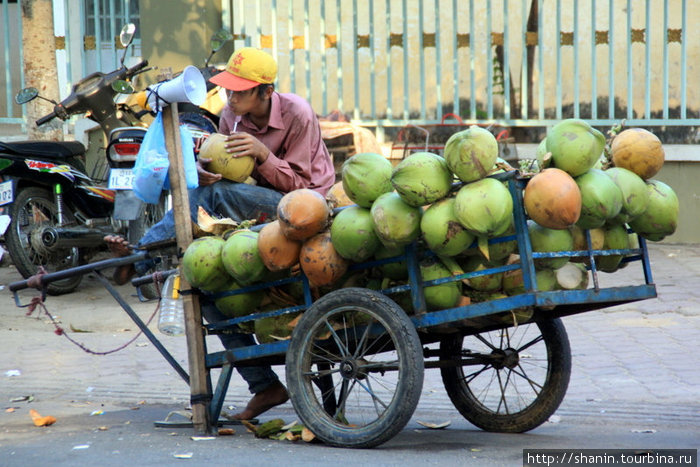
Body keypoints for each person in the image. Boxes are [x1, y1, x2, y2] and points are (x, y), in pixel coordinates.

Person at [106, 47, 335, 420]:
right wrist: (204, 168)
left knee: (213, 195)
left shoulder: (297, 113)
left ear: (266, 91)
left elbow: (303, 189)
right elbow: (231, 172)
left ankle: (139, 255)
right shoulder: (231, 114)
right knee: (206, 281)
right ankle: (265, 386)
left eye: (241, 91)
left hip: (305, 211)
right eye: (229, 90)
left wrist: (263, 154)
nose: (231, 97)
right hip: (252, 213)